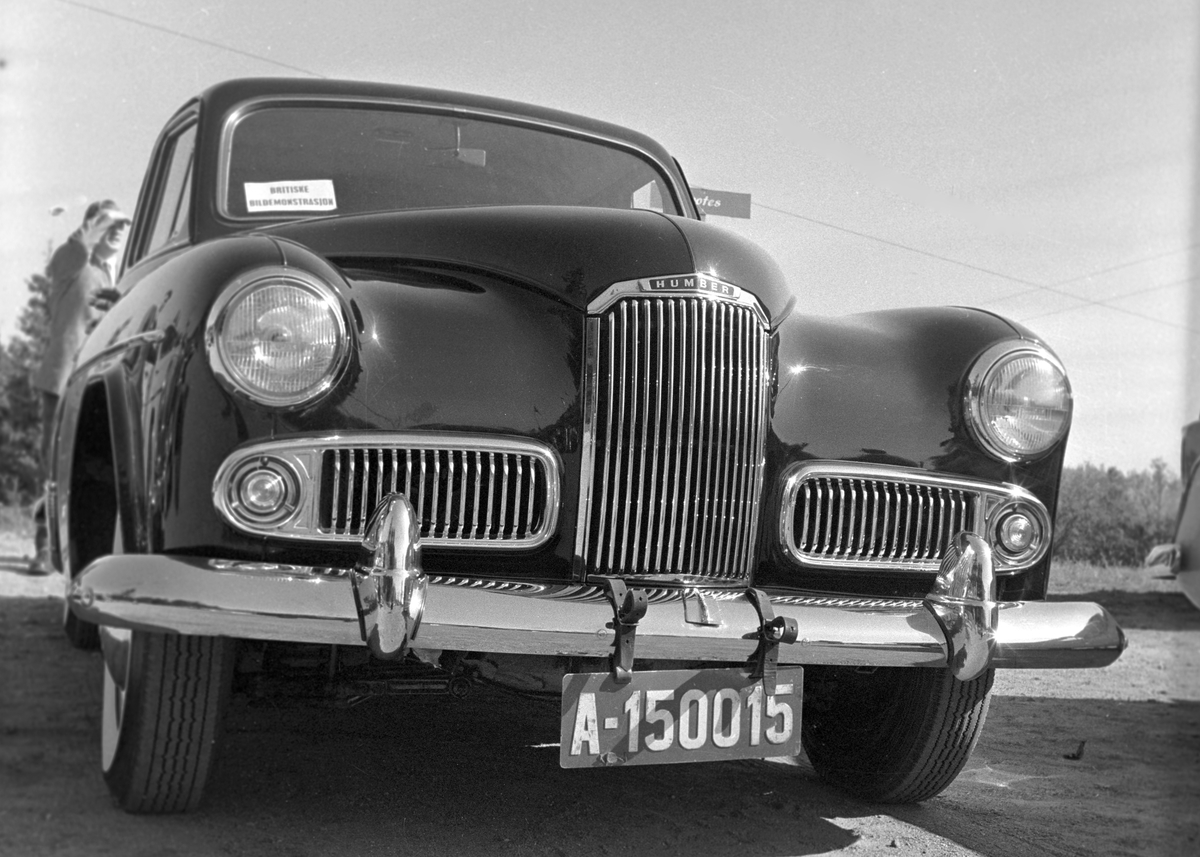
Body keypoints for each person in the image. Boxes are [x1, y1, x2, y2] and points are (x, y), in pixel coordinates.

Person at [29, 199, 130, 572]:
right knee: (51, 463)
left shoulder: (110, 273)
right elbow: (78, 243)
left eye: (124, 225)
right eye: (111, 224)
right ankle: (43, 544)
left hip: (93, 380)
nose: (119, 231)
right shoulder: (72, 260)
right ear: (92, 225)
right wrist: (98, 222)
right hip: (62, 378)